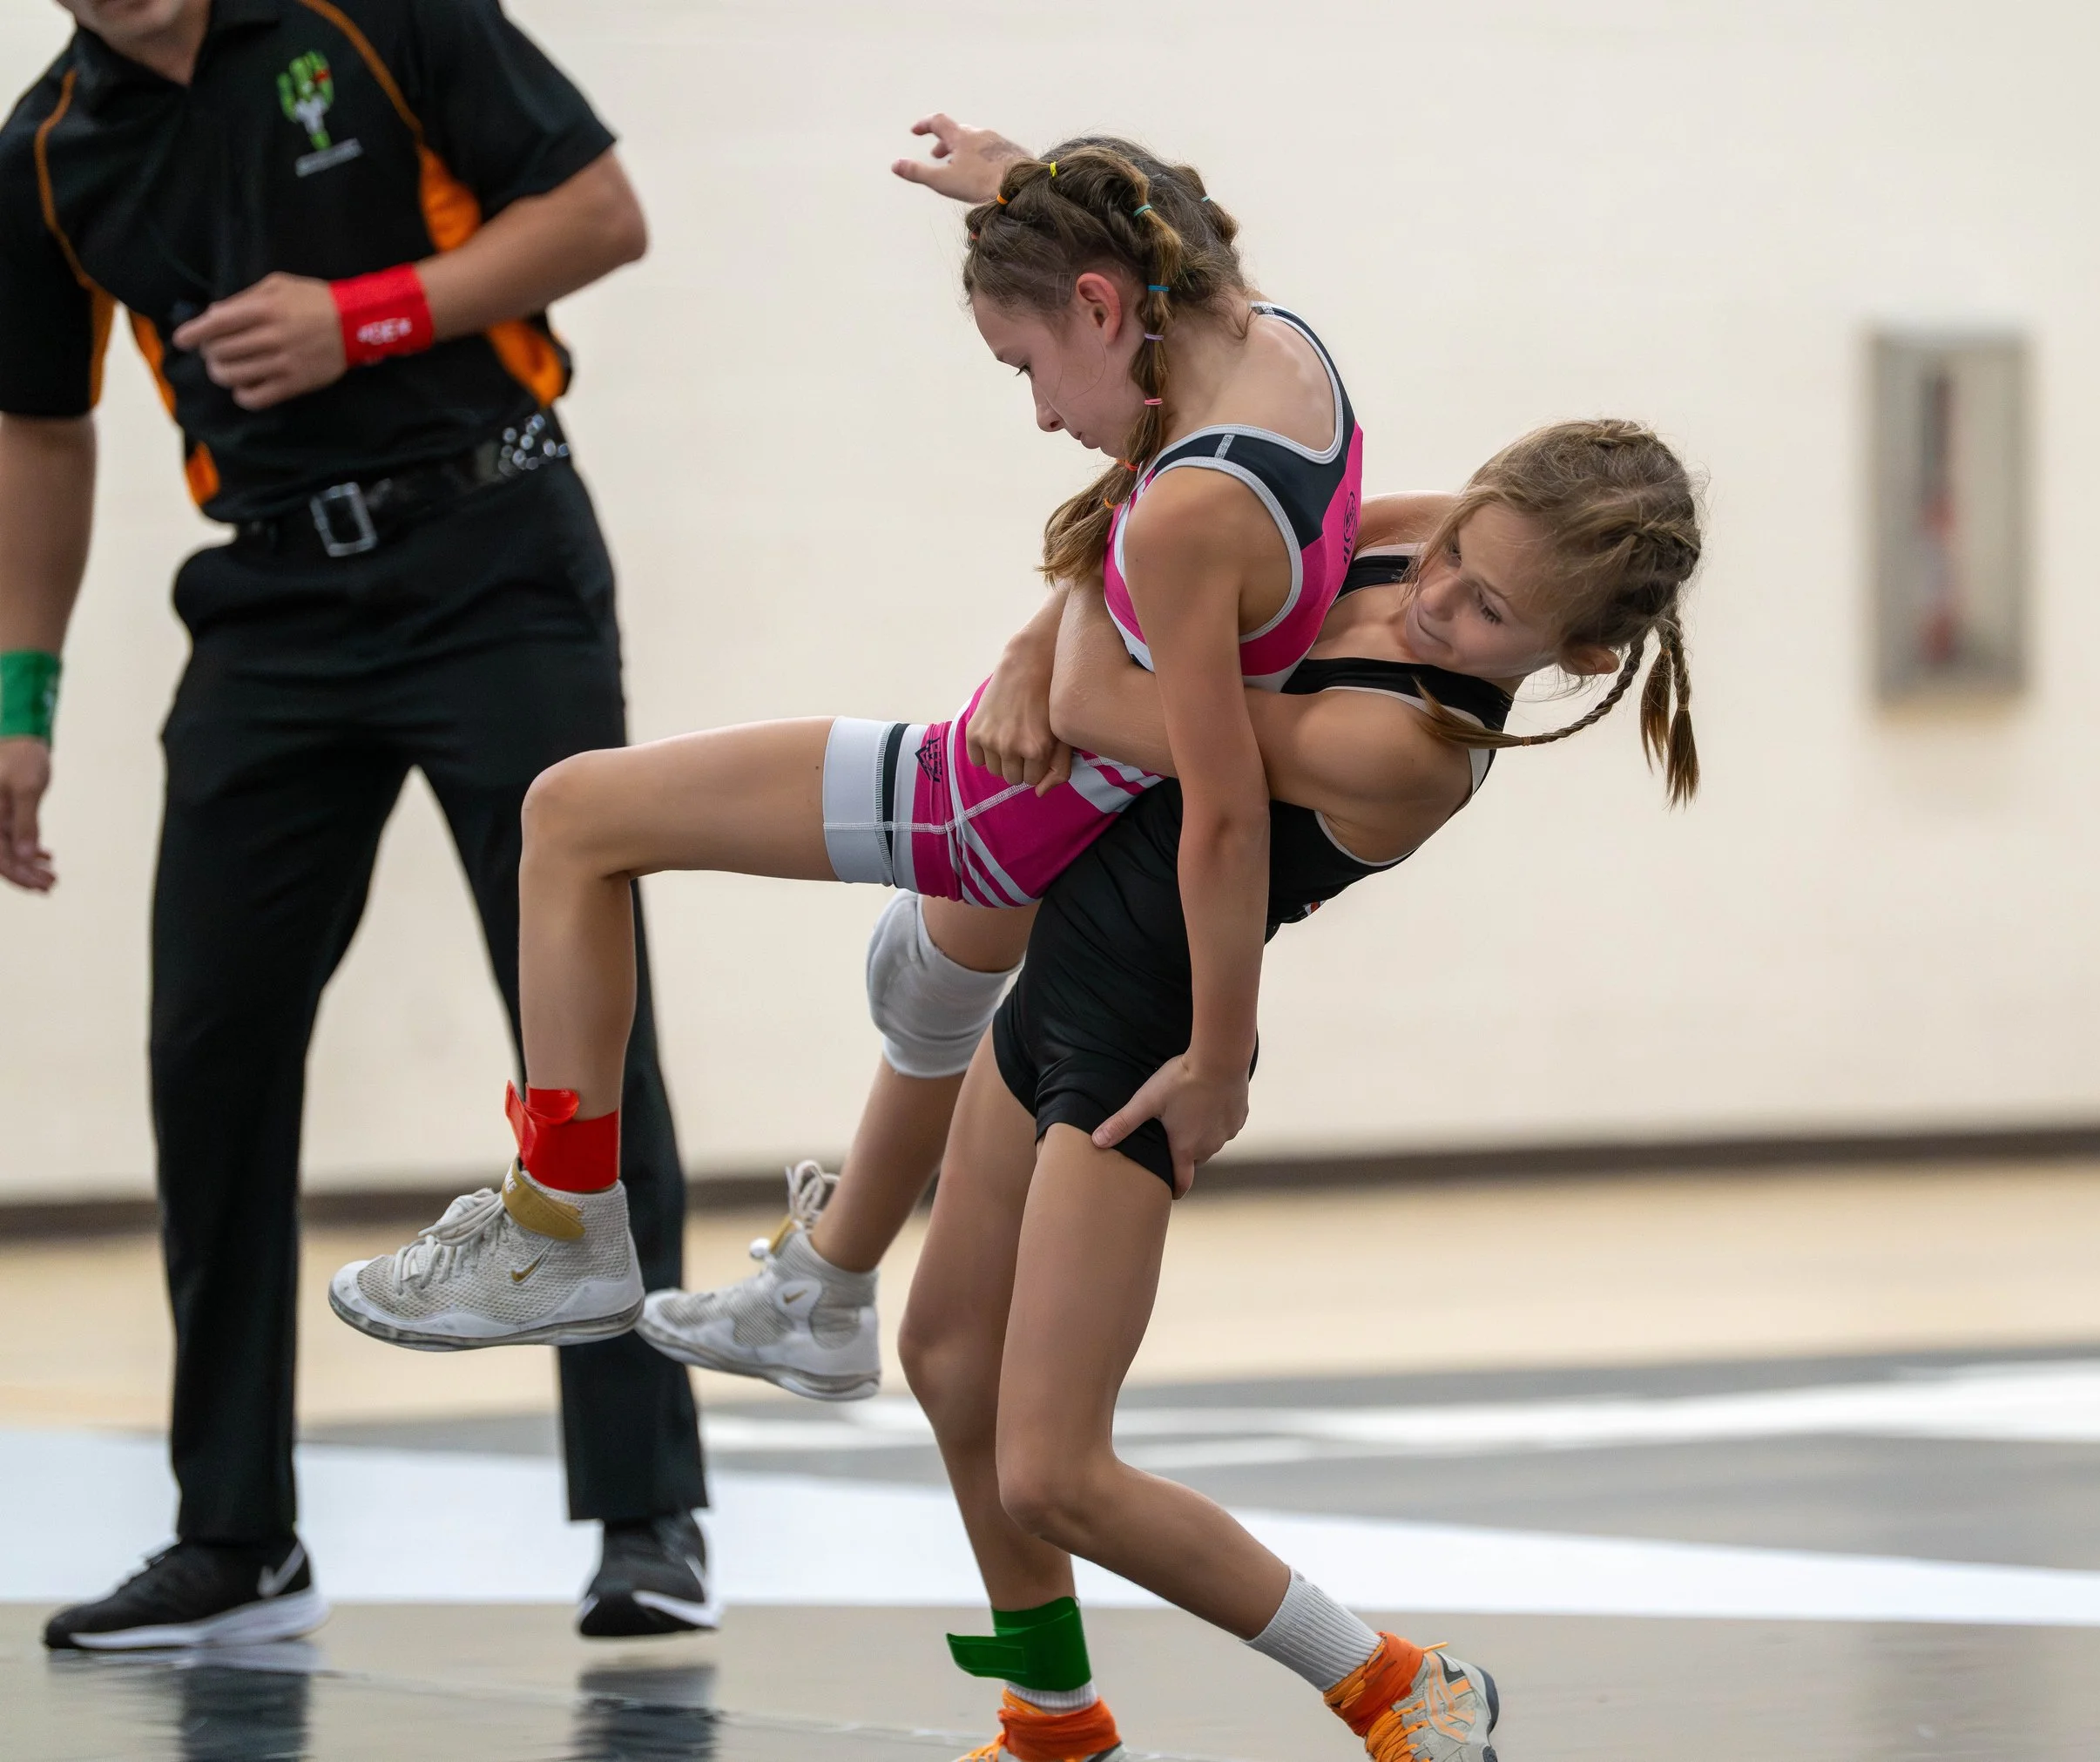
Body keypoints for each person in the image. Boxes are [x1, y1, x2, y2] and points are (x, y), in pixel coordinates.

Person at [325, 131, 1367, 1360]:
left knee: (567, 817)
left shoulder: (1193, 506)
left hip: (989, 800)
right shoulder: (1277, 351)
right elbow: (1143, 258)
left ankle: (560, 1223)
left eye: (1024, 365)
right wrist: (1018, 187)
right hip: (1064, 794)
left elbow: (1227, 810)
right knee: (926, 989)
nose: (1038, 412)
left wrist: (1219, 1057)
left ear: (1098, 306)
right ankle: (825, 1288)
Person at [0, 0, 708, 1648]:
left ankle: (644, 1514)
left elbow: (602, 211)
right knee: (209, 1046)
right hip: (267, 607)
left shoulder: (377, 16)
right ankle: (236, 1535)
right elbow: (42, 427)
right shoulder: (44, 151)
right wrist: (19, 709)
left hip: (495, 550)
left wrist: (367, 318)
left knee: (578, 1028)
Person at [908, 420, 1705, 1762]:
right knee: (941, 1355)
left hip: (1140, 1043)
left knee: (1054, 1469)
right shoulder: (1415, 527)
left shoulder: (1417, 751)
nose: (1437, 594)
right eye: (1456, 553)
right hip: (1061, 980)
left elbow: (1123, 699)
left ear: (1582, 658)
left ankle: (1393, 1680)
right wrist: (1046, 623)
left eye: (1491, 607)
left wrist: (1222, 1058)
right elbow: (1153, 559)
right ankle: (1053, 1719)